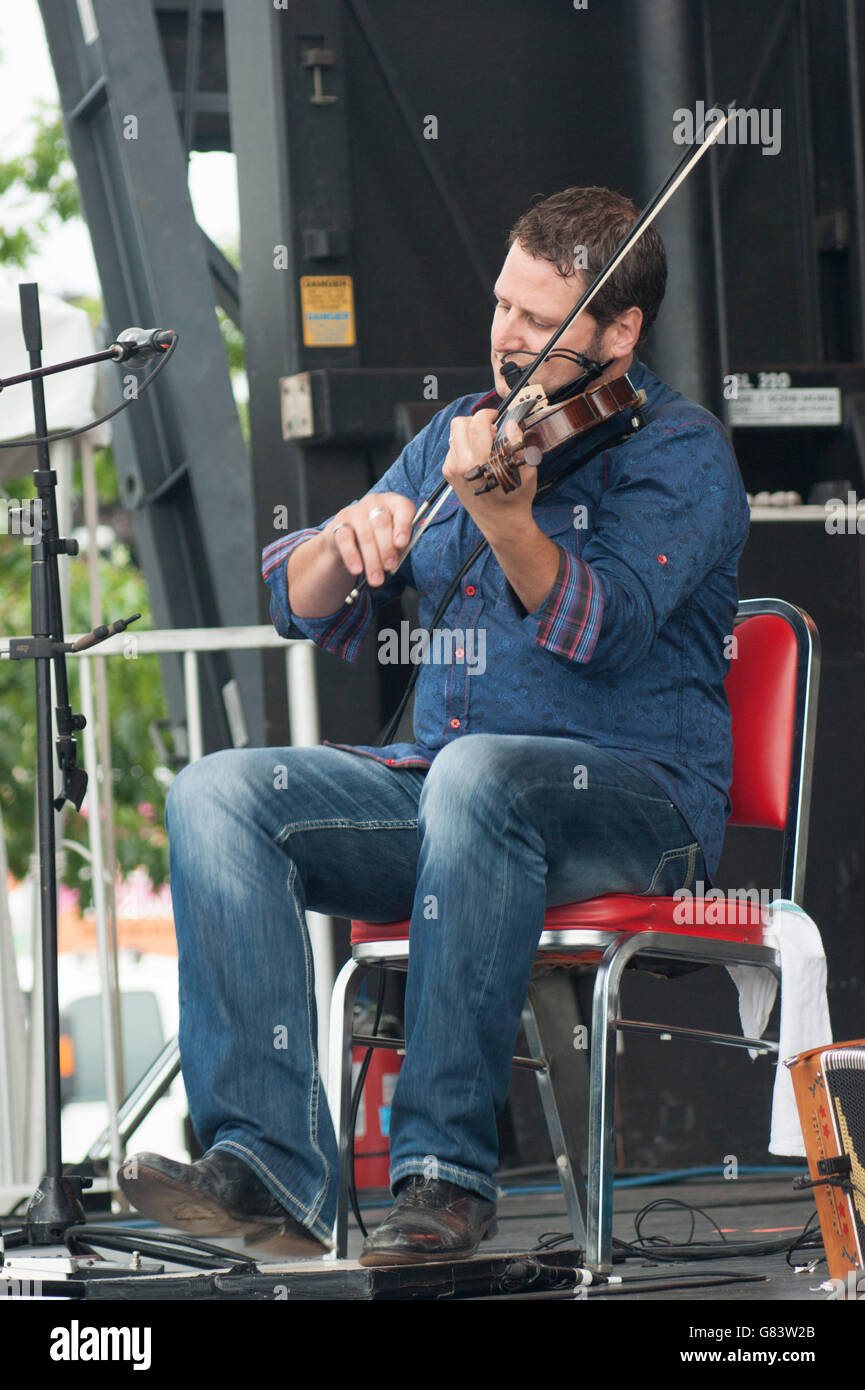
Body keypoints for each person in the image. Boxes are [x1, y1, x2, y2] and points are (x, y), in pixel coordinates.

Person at [118, 186, 749, 1265]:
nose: (506, 335)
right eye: (501, 304)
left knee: (479, 776)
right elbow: (297, 603)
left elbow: (599, 627)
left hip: (642, 803)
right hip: (453, 796)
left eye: (538, 321)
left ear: (619, 331)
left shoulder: (683, 459)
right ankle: (268, 1158)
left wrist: (506, 520)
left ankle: (443, 1178)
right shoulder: (463, 434)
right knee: (217, 793)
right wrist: (343, 538)